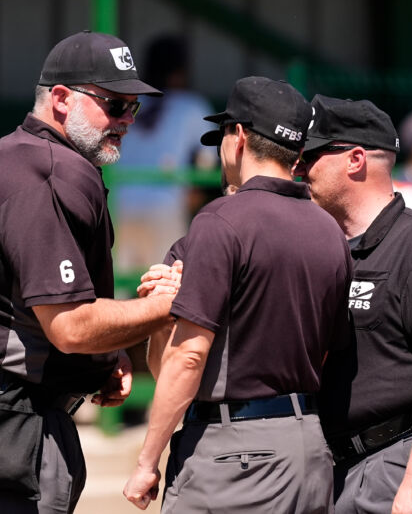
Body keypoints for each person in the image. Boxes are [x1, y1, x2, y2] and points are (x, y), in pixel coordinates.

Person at [0, 30, 178, 514]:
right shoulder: (41, 174)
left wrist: (106, 356)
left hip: (2, 419)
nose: (126, 120)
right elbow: (71, 326)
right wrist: (168, 307)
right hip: (2, 428)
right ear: (60, 98)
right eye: (114, 104)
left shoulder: (23, 154)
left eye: (134, 107)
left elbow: (53, 315)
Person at [123, 76, 353, 512]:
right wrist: (164, 314)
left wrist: (147, 459)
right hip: (306, 444)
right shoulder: (330, 231)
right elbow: (327, 350)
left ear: (240, 137)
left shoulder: (220, 222)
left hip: (234, 451)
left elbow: (187, 357)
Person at [293, 96, 412, 514]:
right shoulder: (327, 248)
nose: (299, 168)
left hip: (399, 461)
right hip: (334, 467)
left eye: (311, 156)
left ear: (355, 159)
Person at [114, 34, 217, 273]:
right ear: (181, 70)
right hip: (166, 206)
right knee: (164, 288)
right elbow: (206, 163)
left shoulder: (129, 101)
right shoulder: (192, 105)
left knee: (117, 289)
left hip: (119, 203)